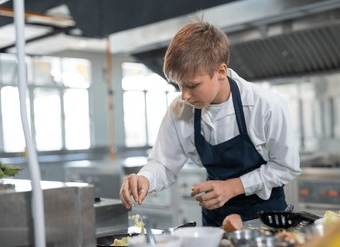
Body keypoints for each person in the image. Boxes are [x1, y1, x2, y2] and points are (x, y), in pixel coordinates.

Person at [119, 19, 301, 227]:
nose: (184, 95)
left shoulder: (266, 106)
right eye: (179, 85)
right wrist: (146, 179)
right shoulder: (180, 110)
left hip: (266, 223)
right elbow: (164, 164)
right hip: (215, 224)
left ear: (221, 72)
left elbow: (286, 167)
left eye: (192, 85)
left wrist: (233, 187)